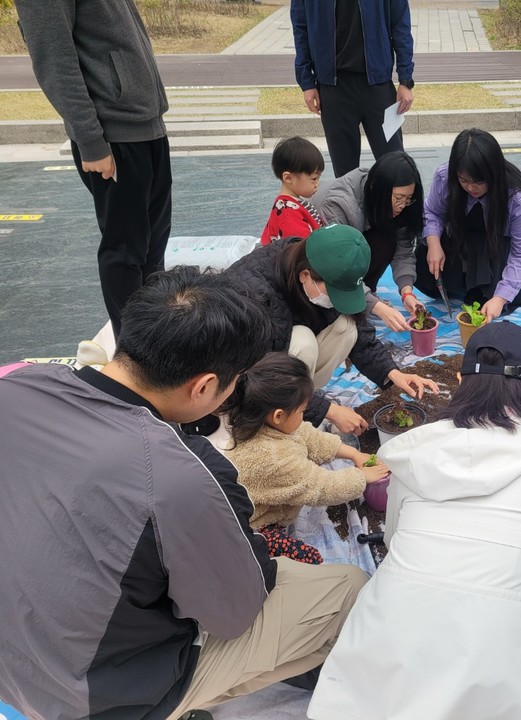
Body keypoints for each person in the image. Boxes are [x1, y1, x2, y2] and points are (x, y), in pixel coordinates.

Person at [0, 268, 367, 719]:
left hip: (13, 659)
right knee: (347, 587)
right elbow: (233, 613)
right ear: (205, 386)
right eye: (235, 381)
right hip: (87, 696)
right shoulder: (183, 473)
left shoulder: (15, 382)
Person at [307, 321, 521, 720]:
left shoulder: (415, 455)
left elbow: (393, 537)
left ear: (459, 381)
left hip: (384, 666)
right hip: (504, 687)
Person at [15, 0, 172, 340]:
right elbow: (54, 59)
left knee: (153, 247)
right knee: (126, 250)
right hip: (113, 135)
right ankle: (135, 353)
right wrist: (91, 141)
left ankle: (159, 341)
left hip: (147, 123)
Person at [224, 224, 438, 436]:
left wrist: (392, 373)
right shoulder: (255, 296)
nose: (337, 300)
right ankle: (288, 418)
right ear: (304, 275)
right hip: (246, 381)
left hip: (281, 365)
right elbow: (260, 375)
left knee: (347, 327)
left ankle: (303, 405)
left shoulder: (318, 266)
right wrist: (329, 411)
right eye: (334, 293)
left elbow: (362, 335)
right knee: (303, 342)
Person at [223, 353, 389, 565]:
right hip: (251, 527)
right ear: (278, 416)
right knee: (310, 558)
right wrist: (362, 477)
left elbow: (310, 437)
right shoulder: (273, 459)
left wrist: (354, 454)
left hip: (266, 502)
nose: (303, 416)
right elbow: (322, 487)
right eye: (302, 411)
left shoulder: (263, 422)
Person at [415, 128, 521, 323]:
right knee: (429, 264)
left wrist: (500, 298)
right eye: (463, 180)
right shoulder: (445, 177)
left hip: (504, 236)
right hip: (467, 228)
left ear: (493, 174)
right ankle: (466, 276)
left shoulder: (519, 199)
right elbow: (432, 212)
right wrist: (434, 244)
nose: (470, 188)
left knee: (494, 295)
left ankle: (512, 278)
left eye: (478, 182)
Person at [291, 0, 415, 177]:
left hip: (378, 86)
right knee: (345, 175)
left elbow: (400, 24)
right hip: (333, 89)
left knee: (396, 167)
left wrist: (405, 80)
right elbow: (301, 29)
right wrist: (307, 83)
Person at [316, 150, 425, 318]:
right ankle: (358, 300)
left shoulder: (394, 206)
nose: (403, 205)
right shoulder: (337, 205)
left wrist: (407, 292)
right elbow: (339, 268)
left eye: (408, 198)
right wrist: (376, 307)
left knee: (387, 237)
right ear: (378, 189)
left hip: (349, 261)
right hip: (321, 268)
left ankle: (365, 293)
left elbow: (403, 251)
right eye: (398, 198)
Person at [261, 136, 326, 245]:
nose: (317, 184)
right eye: (314, 178)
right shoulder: (289, 216)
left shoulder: (293, 203)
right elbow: (300, 249)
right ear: (288, 178)